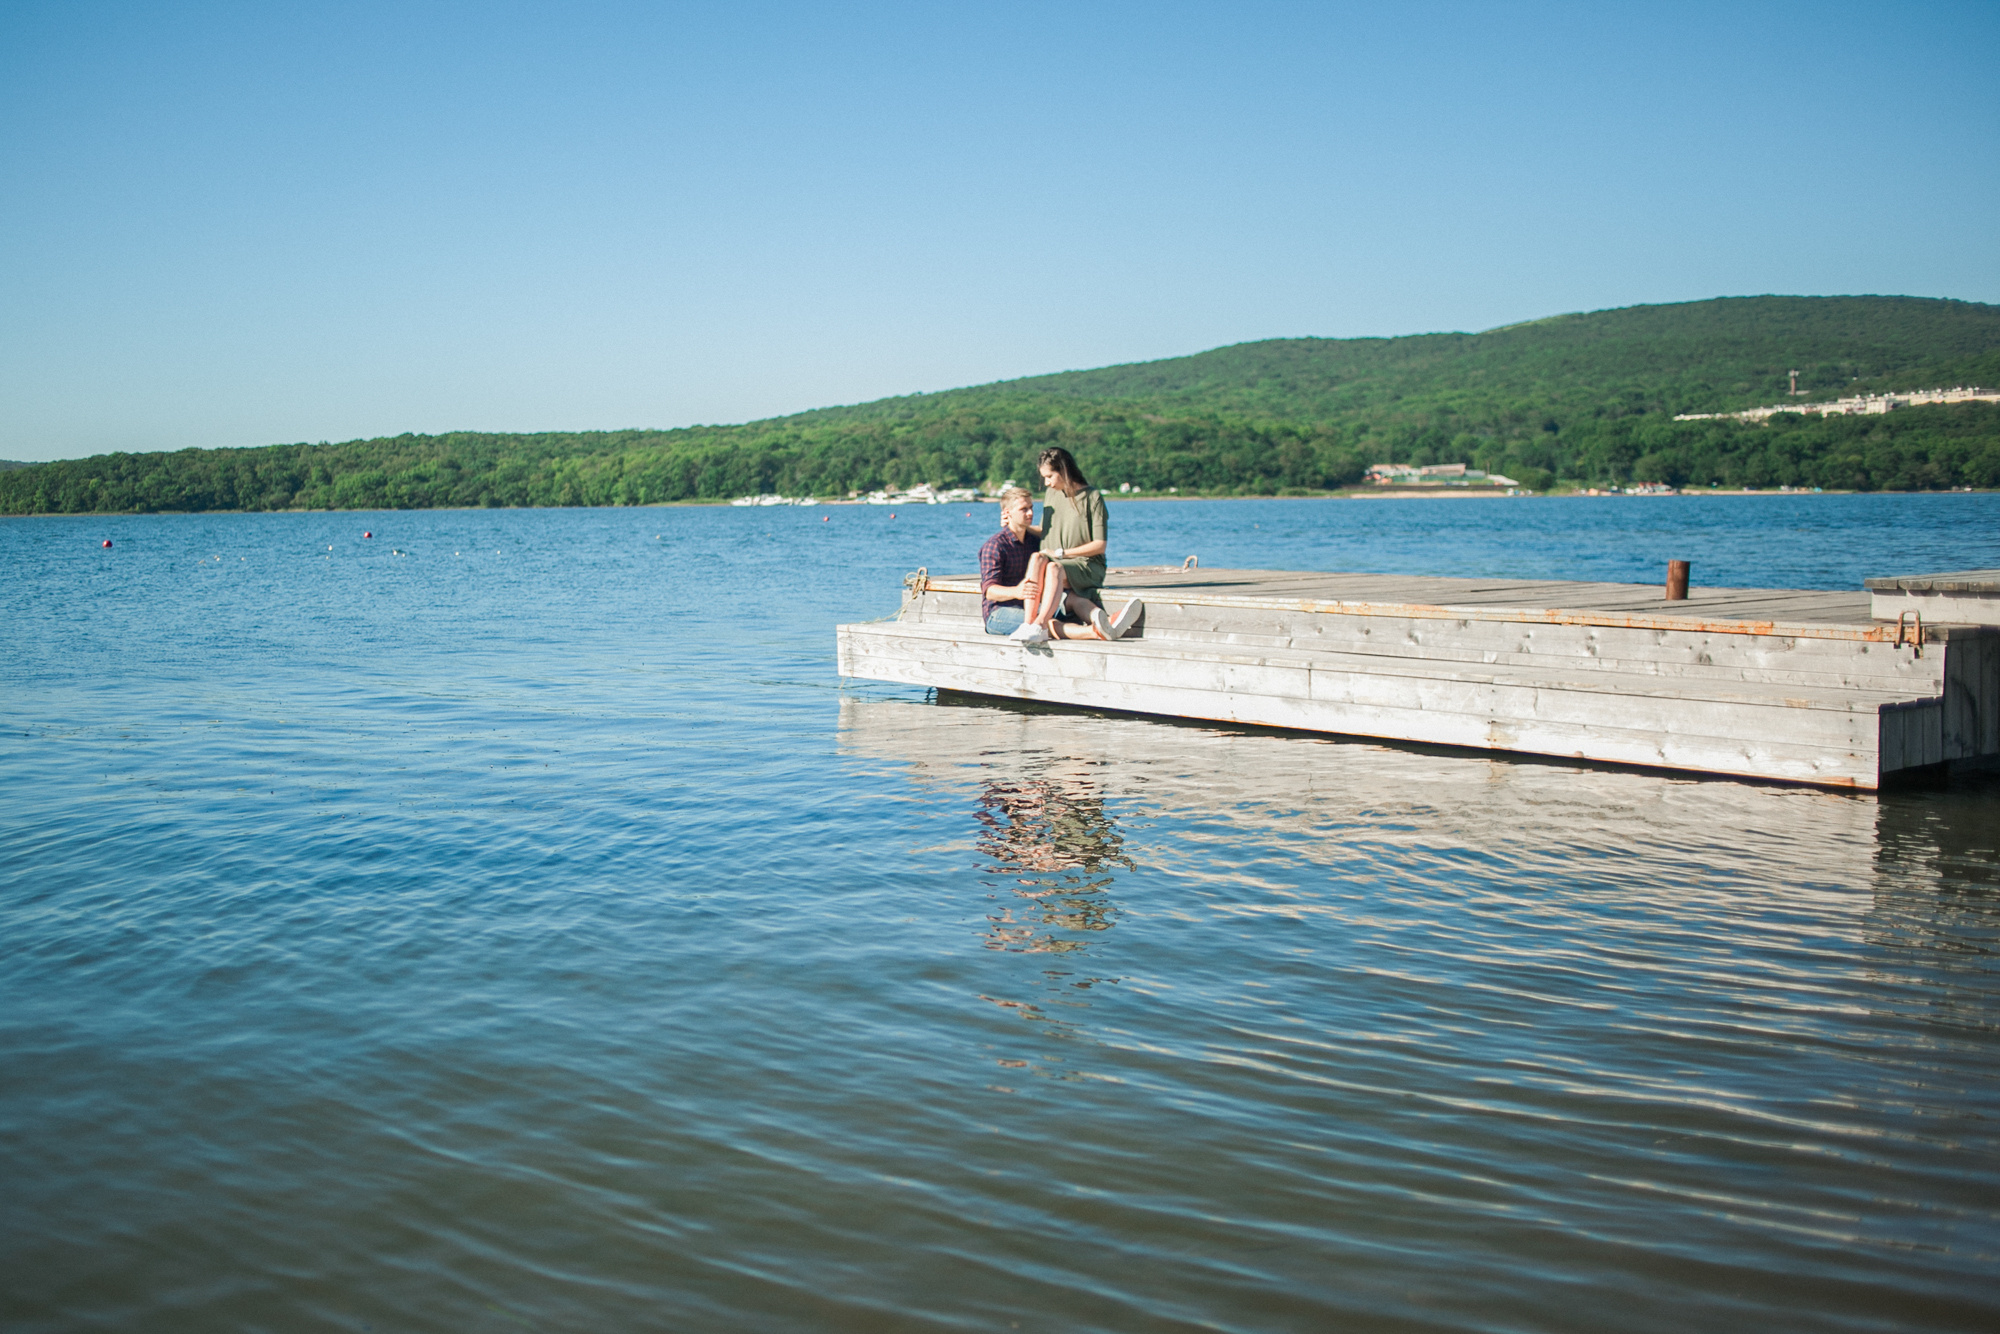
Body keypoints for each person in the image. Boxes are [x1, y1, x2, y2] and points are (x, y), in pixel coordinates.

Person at [1014, 447, 1143, 643]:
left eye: (1049, 476)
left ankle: (1040, 625)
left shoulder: (1093, 497)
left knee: (1054, 567)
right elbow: (1045, 530)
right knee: (1037, 557)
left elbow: (1099, 545)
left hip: (1086, 565)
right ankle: (1029, 624)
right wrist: (1016, 525)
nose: (1046, 482)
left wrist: (1061, 553)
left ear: (1063, 470)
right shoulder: (1051, 494)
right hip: (1057, 564)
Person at [978, 485, 1050, 636]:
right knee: (1043, 623)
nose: (1030, 513)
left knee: (1060, 611)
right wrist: (1017, 591)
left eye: (1031, 508)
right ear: (1007, 513)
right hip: (998, 614)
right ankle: (1093, 632)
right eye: (1024, 509)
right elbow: (990, 591)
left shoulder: (1033, 542)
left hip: (1028, 606)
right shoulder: (995, 546)